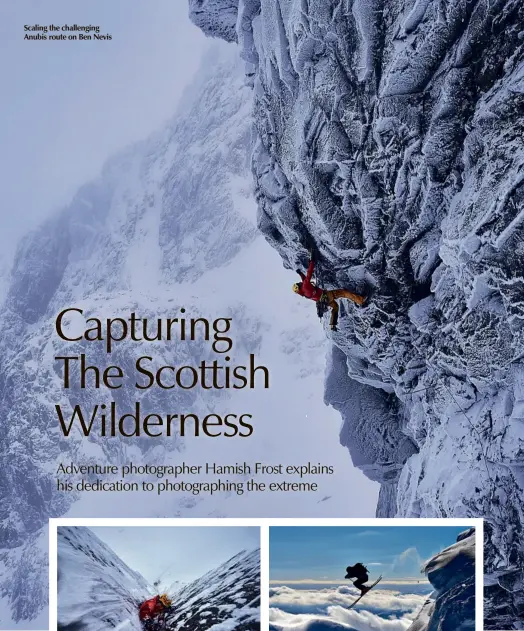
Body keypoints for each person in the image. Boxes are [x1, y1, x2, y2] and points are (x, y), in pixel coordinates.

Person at [292, 257, 366, 330]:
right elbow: (309, 274)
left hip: (324, 301)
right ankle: (361, 300)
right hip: (326, 296)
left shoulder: (304, 293)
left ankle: (332, 325)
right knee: (343, 293)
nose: (299, 283)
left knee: (335, 307)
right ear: (299, 286)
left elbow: (304, 280)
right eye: (298, 284)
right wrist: (312, 262)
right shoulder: (305, 286)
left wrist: (300, 273)